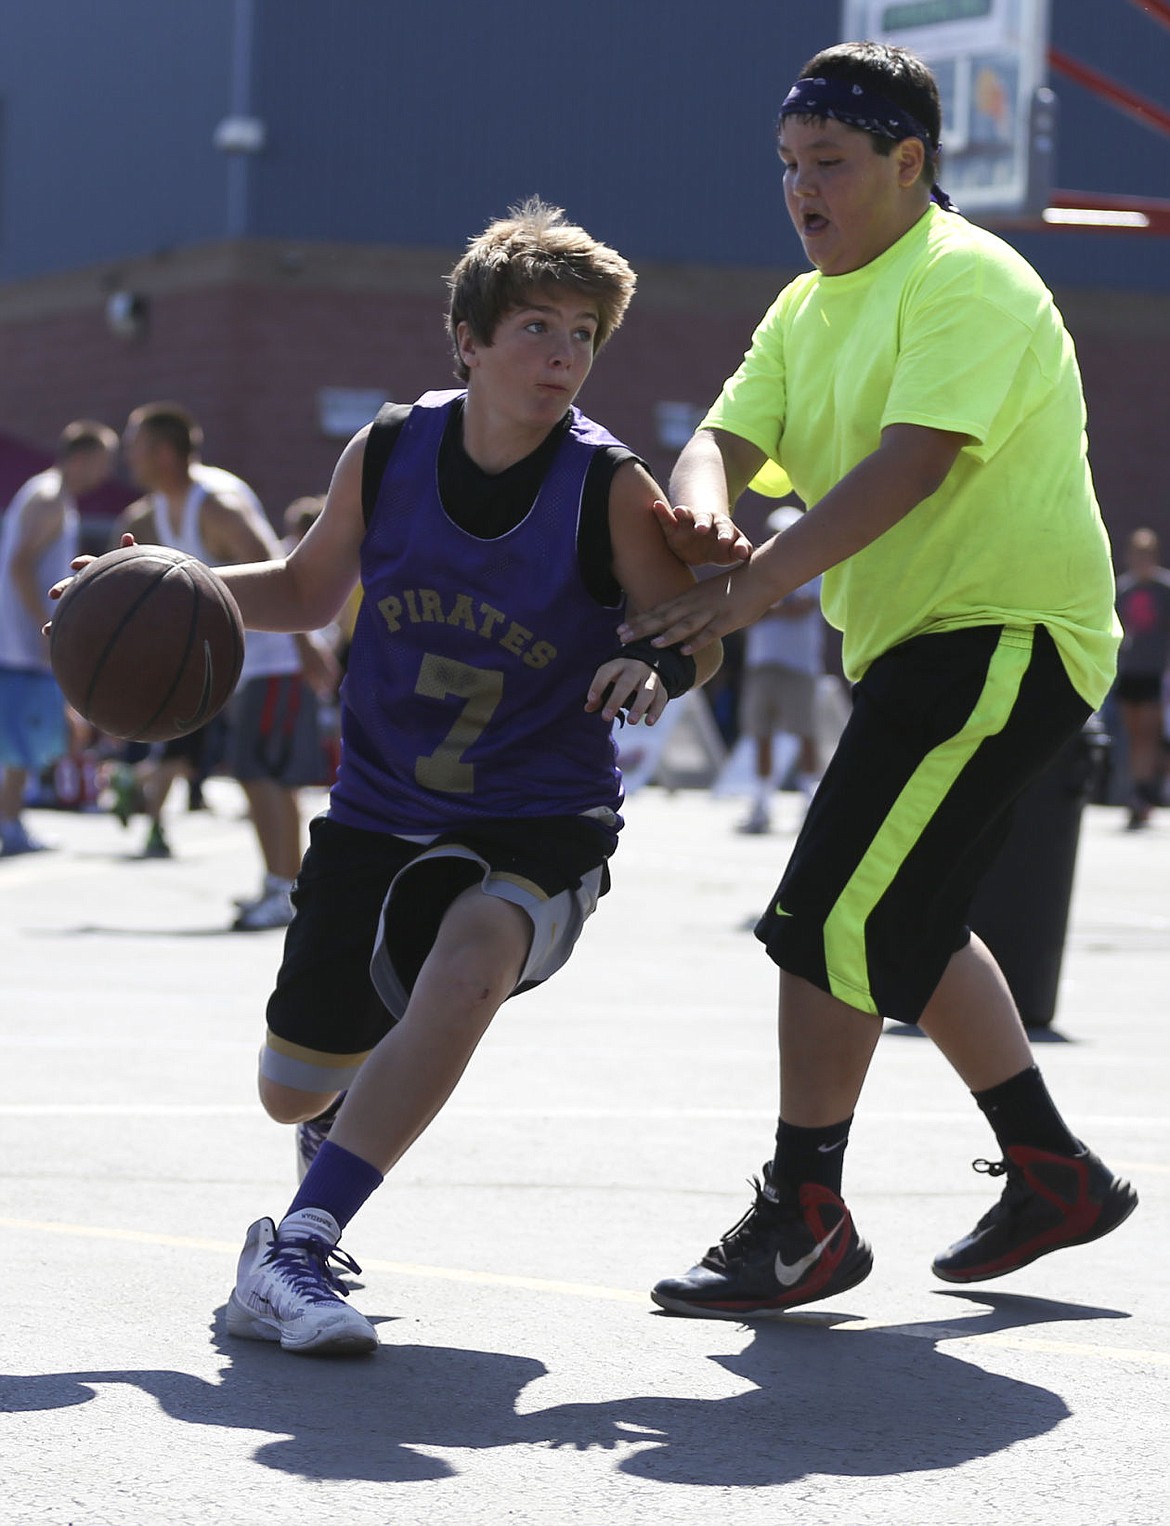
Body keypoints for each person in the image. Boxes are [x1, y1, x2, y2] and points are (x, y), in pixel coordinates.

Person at [618, 42, 1138, 1318]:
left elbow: (907, 466)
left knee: (822, 917)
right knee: (902, 918)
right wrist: (704, 520)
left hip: (1006, 636)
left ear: (910, 164)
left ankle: (805, 1214)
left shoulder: (967, 280)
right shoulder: (806, 308)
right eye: (790, 167)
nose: (805, 191)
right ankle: (1052, 1171)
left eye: (833, 165)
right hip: (920, 648)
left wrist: (744, 592)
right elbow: (720, 443)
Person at [174, 199, 724, 1354]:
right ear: (468, 340)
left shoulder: (606, 486)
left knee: (473, 958)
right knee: (290, 1083)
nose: (564, 353)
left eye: (583, 332)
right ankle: (329, 1131)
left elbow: (693, 625)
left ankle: (296, 1247)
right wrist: (168, 582)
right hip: (381, 809)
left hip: (542, 816)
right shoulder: (388, 448)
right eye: (537, 325)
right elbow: (307, 591)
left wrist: (654, 659)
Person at [114, 404, 338, 925]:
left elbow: (285, 572)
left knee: (266, 778)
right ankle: (284, 886)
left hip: (277, 657)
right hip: (245, 665)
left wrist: (306, 645)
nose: (128, 455)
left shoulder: (215, 505)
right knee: (259, 776)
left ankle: (284, 890)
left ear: (164, 453)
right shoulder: (156, 511)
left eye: (136, 445)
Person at [0, 420, 118, 856]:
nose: (106, 473)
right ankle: (10, 827)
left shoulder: (49, 495)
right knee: (18, 743)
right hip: (21, 646)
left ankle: (12, 823)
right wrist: (42, 626)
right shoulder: (50, 498)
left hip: (19, 644)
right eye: (104, 461)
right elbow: (18, 565)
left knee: (22, 741)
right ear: (83, 456)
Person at [735, 505, 825, 834]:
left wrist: (768, 609)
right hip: (762, 661)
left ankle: (809, 801)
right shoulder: (756, 567)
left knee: (805, 733)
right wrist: (773, 608)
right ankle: (761, 804)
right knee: (760, 734)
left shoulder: (813, 567)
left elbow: (802, 607)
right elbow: (744, 610)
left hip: (799, 662)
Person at [1113, 527, 1170, 830]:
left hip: (1154, 672)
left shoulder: (1164, 589)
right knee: (1133, 734)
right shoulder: (1124, 590)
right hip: (1129, 671)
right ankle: (1138, 791)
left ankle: (1144, 793)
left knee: (1149, 733)